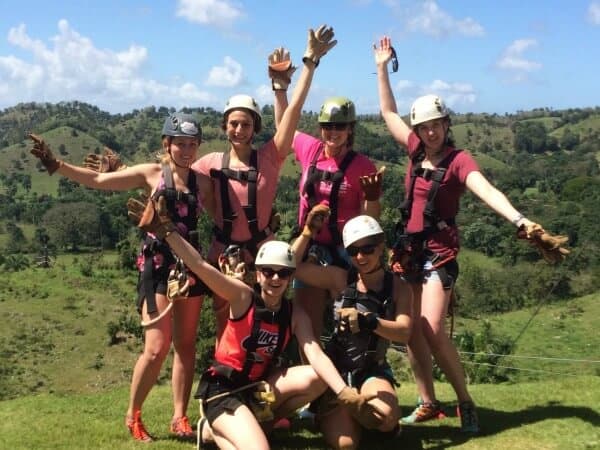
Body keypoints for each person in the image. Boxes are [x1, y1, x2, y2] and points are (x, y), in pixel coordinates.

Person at [374, 36, 567, 433]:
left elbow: (485, 189)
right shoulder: (413, 150)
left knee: (431, 328)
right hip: (408, 250)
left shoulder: (460, 161)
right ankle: (428, 401)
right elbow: (388, 112)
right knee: (411, 332)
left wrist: (520, 221)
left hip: (439, 254)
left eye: (436, 126)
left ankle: (465, 401)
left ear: (447, 125)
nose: (430, 133)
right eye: (424, 127)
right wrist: (381, 68)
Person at [126, 196, 384, 450]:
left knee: (318, 377)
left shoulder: (295, 314)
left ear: (290, 276)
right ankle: (213, 429)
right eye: (268, 271)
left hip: (257, 390)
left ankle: (244, 427)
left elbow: (314, 353)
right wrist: (167, 232)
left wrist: (344, 393)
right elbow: (201, 266)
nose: (275, 278)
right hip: (223, 390)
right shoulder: (242, 297)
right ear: (257, 273)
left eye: (283, 273)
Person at [28, 112, 206, 441]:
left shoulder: (202, 181)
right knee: (156, 347)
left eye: (192, 144)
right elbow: (98, 181)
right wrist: (58, 165)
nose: (186, 150)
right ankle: (133, 414)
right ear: (166, 144)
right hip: (157, 266)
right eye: (180, 143)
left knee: (185, 345)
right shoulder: (152, 174)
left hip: (189, 266)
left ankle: (179, 416)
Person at [192, 24, 337, 343]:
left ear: (255, 126)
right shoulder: (210, 163)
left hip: (263, 252)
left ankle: (265, 381)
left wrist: (309, 65)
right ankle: (225, 385)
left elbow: (293, 114)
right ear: (224, 126)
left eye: (245, 124)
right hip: (224, 252)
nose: (239, 129)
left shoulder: (270, 157)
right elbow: (176, 180)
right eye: (233, 123)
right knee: (225, 323)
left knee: (269, 320)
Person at [272, 61, 384, 345]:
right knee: (306, 324)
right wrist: (280, 88)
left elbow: (369, 221)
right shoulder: (311, 150)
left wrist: (372, 198)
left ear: (350, 130)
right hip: (309, 246)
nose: (333, 132)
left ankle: (350, 378)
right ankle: (317, 384)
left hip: (345, 251)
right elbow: (283, 125)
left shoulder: (361, 166)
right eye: (327, 126)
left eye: (340, 127)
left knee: (348, 327)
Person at [292, 213, 412, 449]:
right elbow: (290, 265)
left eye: (367, 249)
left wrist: (370, 322)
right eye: (353, 251)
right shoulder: (340, 279)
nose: (360, 256)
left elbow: (404, 332)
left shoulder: (399, 287)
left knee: (385, 418)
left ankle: (371, 421)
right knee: (345, 444)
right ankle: (333, 410)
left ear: (380, 246)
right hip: (337, 371)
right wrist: (307, 233)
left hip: (371, 369)